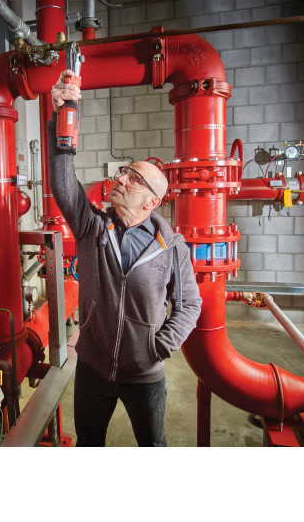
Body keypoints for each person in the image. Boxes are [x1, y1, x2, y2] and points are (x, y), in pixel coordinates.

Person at [48, 70, 202, 447]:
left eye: (134, 179)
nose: (121, 179)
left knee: (153, 447)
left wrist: (158, 348)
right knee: (89, 445)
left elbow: (189, 304)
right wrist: (62, 117)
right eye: (124, 172)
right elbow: (63, 184)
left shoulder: (172, 247)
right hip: (93, 369)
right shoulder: (93, 227)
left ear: (152, 202)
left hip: (144, 376)